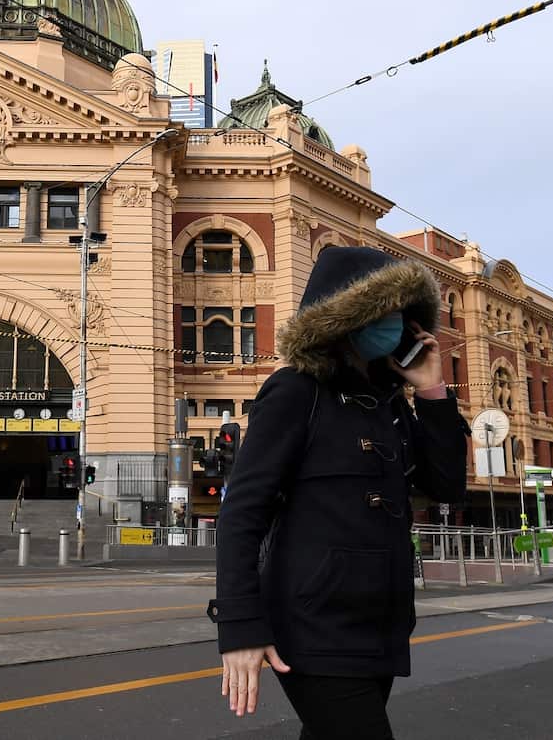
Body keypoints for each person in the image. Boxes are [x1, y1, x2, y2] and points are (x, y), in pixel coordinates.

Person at [209, 248, 468, 739]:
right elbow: (242, 513)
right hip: (312, 624)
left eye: (401, 314)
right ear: (343, 320)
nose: (394, 324)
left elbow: (445, 486)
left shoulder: (392, 406)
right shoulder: (295, 391)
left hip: (381, 623)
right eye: (382, 312)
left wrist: (432, 390)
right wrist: (240, 627)